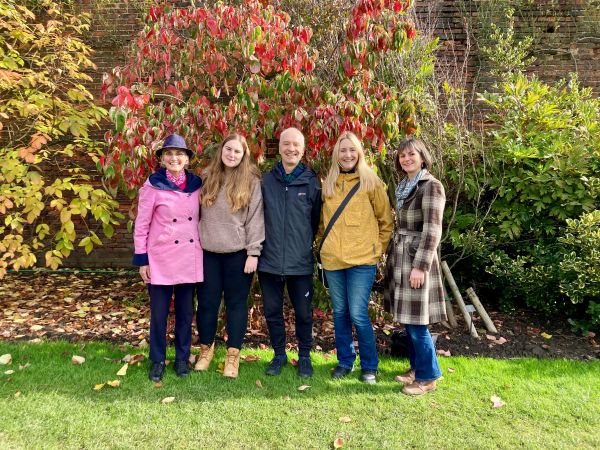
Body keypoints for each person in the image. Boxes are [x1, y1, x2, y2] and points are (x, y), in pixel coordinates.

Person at [319, 131, 393, 384]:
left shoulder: (371, 182)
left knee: (359, 313)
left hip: (362, 260)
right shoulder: (327, 183)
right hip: (333, 260)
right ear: (336, 155)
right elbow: (321, 224)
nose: (347, 155)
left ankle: (369, 366)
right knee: (340, 312)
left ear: (359, 153)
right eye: (343, 150)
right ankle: (345, 362)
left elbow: (386, 221)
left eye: (352, 150)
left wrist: (376, 250)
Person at [132, 133, 203, 382]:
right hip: (160, 258)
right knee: (159, 315)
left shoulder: (197, 185)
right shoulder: (152, 186)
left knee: (185, 313)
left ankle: (182, 358)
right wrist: (142, 261)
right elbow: (141, 225)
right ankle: (158, 360)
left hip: (188, 257)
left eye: (180, 154)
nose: (175, 158)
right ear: (162, 158)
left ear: (187, 159)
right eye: (169, 154)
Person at [194, 133, 264, 378]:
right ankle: (205, 350)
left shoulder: (252, 181)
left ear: (244, 155)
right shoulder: (206, 177)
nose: (232, 154)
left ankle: (232, 356)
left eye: (238, 151)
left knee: (235, 306)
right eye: (229, 149)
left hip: (238, 254)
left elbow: (256, 218)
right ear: (221, 151)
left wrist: (253, 253)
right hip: (208, 254)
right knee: (206, 305)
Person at [384, 136, 446, 395]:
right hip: (401, 257)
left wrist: (420, 266)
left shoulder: (431, 186)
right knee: (407, 320)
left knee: (417, 323)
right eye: (402, 155)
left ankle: (428, 377)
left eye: (411, 154)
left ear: (422, 156)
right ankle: (417, 368)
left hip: (416, 260)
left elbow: (432, 230)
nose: (406, 159)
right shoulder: (405, 185)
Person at [258, 127, 322, 378]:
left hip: (300, 262)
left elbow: (315, 220)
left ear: (303, 150)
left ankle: (304, 356)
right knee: (273, 312)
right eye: (286, 144)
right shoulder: (267, 180)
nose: (291, 149)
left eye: (296, 145)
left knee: (304, 313)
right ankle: (279, 355)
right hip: (269, 261)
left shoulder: (311, 181)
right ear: (279, 147)